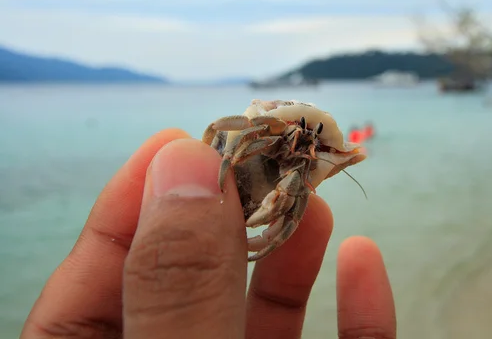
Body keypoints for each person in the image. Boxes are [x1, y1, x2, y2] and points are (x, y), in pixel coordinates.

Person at [20, 129, 396, 339]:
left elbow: (294, 200)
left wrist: (261, 239)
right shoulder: (272, 134)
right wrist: (220, 157)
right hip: (251, 154)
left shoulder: (301, 163)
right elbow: (223, 129)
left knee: (298, 203)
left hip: (268, 182)